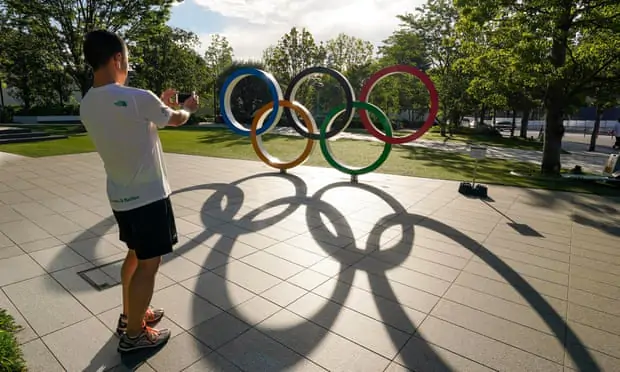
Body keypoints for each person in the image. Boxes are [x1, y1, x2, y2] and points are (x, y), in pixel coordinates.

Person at [80, 30, 199, 353]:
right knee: (149, 264)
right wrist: (186, 107)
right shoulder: (138, 97)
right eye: (126, 60)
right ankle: (134, 335)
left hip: (120, 198)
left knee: (134, 255)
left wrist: (155, 103)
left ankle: (130, 315)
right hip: (149, 197)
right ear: (117, 58)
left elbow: (132, 120)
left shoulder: (87, 104)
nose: (128, 67)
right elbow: (174, 119)